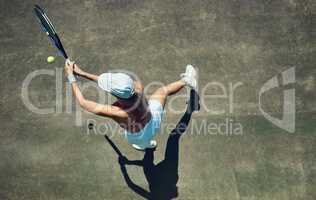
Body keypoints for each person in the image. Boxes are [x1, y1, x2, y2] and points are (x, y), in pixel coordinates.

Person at [64, 60, 197, 150]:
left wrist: (71, 76)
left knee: (144, 144)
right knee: (163, 91)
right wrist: (81, 73)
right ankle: (186, 80)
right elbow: (111, 84)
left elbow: (83, 102)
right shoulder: (137, 87)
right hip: (153, 120)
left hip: (137, 137)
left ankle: (147, 145)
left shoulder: (118, 112)